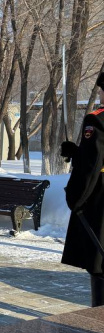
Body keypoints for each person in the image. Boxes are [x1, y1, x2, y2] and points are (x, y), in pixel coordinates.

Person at [61, 72, 104, 307]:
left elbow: (91, 166)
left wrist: (75, 198)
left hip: (100, 202)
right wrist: (77, 152)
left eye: (100, 91)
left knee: (99, 265)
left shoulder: (97, 120)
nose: (99, 94)